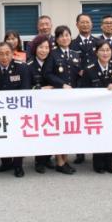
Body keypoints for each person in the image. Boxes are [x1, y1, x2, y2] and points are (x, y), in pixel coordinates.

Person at [0, 42, 32, 178]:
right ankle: (6, 163)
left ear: (13, 54)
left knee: (17, 138)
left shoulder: (22, 67)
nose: (4, 57)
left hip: (17, 110)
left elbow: (25, 89)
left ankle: (18, 165)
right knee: (1, 137)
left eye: (7, 54)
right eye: (1, 54)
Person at [44, 25, 81, 172]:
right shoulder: (52, 54)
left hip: (73, 98)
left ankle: (65, 160)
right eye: (61, 36)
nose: (64, 38)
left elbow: (79, 74)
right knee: (59, 129)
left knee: (68, 130)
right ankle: (59, 162)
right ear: (57, 39)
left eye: (67, 35)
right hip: (58, 97)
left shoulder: (75, 54)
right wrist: (62, 85)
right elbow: (47, 74)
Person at [81, 41, 112, 174]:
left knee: (110, 135)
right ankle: (98, 164)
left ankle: (109, 164)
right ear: (96, 52)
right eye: (102, 50)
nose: (105, 53)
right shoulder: (89, 69)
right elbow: (83, 90)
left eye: (108, 50)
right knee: (98, 135)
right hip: (95, 110)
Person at [26, 35, 55, 174]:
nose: (44, 50)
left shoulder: (53, 61)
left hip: (53, 103)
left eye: (46, 47)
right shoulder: (29, 65)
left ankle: (48, 158)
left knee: (51, 131)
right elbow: (27, 86)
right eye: (41, 47)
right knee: (40, 132)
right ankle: (39, 161)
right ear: (35, 48)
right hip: (37, 104)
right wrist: (41, 89)